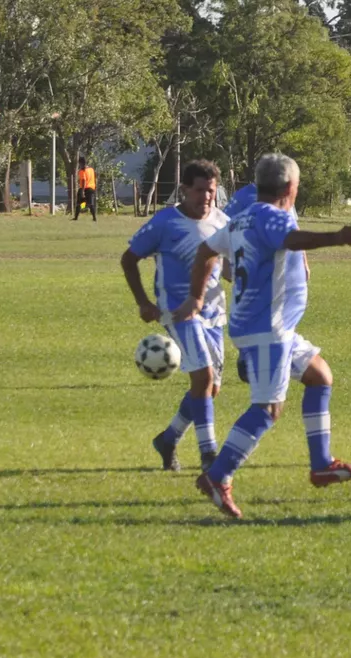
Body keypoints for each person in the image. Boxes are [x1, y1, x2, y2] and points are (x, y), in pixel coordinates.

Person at [175, 153, 351, 519]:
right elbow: (291, 239)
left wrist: (197, 298)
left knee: (319, 376)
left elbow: (205, 252)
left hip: (268, 326)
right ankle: (218, 476)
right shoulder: (272, 217)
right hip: (267, 329)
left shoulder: (243, 217)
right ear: (291, 188)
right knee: (268, 408)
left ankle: (321, 463)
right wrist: (335, 237)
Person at [120, 160, 229, 473]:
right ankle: (209, 455)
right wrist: (143, 302)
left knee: (211, 388)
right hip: (178, 312)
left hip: (213, 313)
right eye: (199, 190)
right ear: (184, 189)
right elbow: (129, 260)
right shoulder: (166, 221)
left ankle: (168, 439)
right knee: (204, 377)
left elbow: (232, 263)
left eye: (210, 190)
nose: (205, 196)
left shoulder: (224, 221)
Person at [224, 182, 309, 382]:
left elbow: (293, 226)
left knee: (281, 311)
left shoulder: (282, 192)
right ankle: (248, 360)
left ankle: (265, 357)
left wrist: (303, 262)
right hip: (253, 264)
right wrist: (227, 264)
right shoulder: (243, 196)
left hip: (279, 262)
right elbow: (223, 225)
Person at [74, 157, 97, 222]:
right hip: (92, 188)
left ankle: (76, 217)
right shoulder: (91, 169)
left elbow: (83, 180)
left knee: (79, 203)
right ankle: (94, 217)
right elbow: (95, 178)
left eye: (79, 164)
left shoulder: (82, 171)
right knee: (90, 203)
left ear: (81, 163)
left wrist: (83, 191)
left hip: (85, 188)